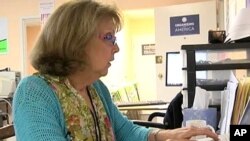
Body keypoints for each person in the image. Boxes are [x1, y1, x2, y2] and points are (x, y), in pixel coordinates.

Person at [12, 0, 219, 141]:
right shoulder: (35, 91)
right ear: (76, 41)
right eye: (108, 37)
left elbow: (124, 131)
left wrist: (166, 135)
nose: (116, 47)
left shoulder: (96, 88)